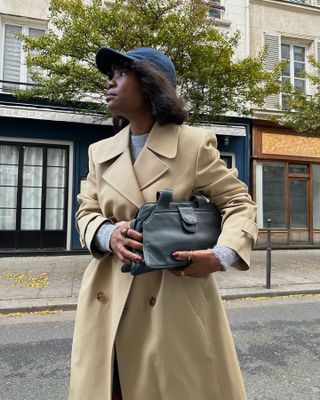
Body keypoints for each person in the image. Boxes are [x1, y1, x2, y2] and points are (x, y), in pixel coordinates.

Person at [69, 46, 258, 400]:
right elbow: (86, 211)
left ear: (150, 83)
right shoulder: (100, 152)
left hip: (173, 297)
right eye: (109, 75)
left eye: (120, 74)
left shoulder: (194, 144)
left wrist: (222, 255)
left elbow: (238, 203)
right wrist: (108, 234)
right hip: (109, 296)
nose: (109, 83)